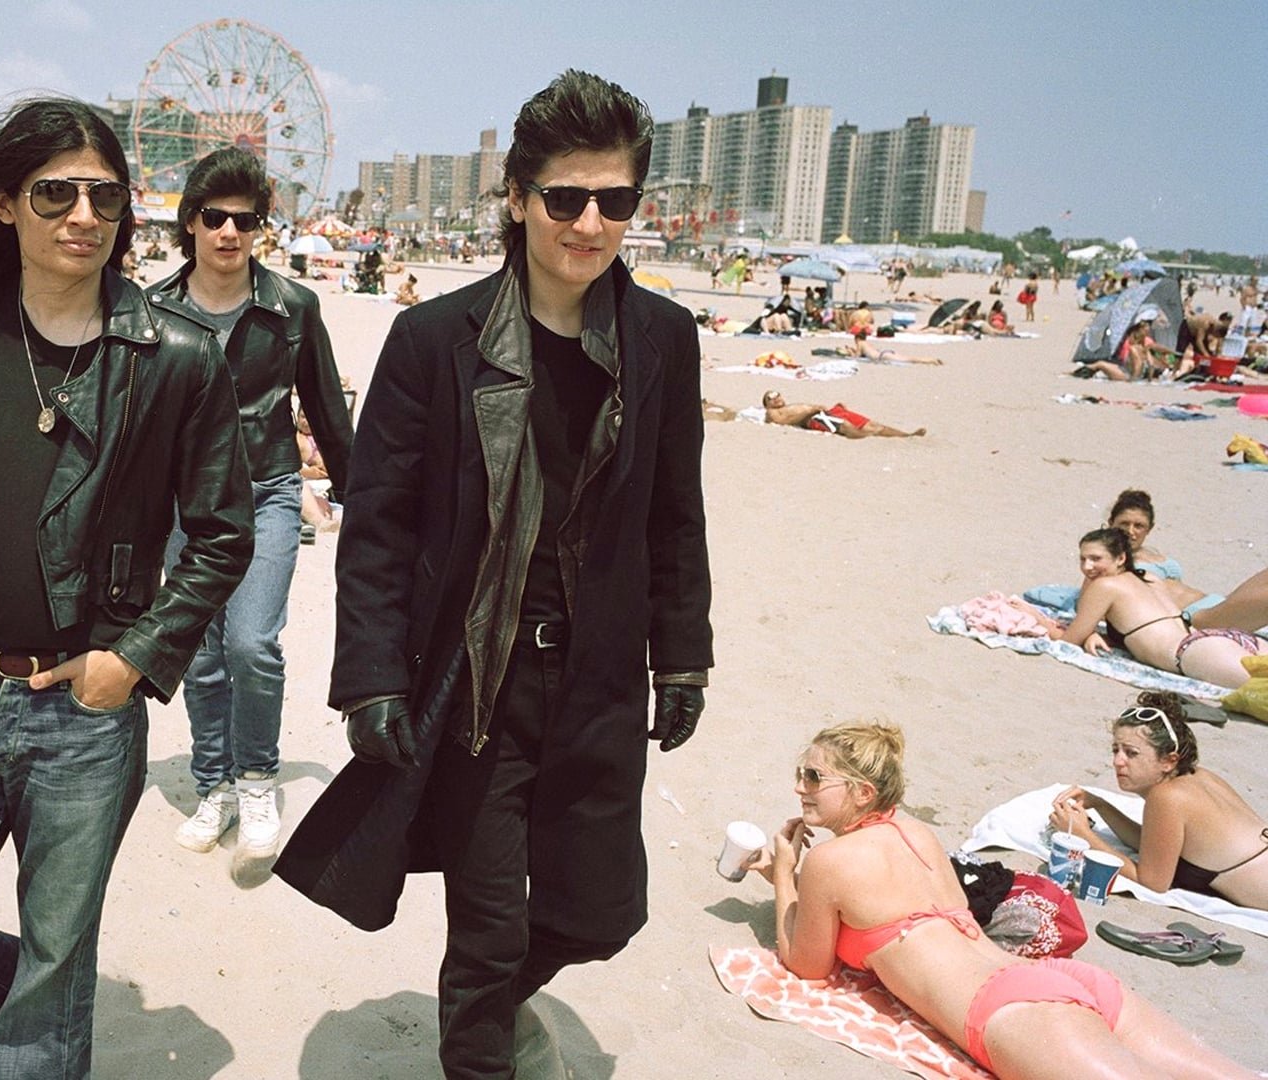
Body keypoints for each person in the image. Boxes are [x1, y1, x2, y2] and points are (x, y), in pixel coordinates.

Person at [275, 70, 713, 1079]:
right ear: (517, 198)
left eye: (615, 200)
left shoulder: (663, 340)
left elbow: (675, 515)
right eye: (565, 198)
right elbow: (378, 529)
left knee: (602, 913)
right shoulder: (435, 340)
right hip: (480, 681)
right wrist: (372, 682)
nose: (590, 224)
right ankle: (479, 1047)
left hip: (600, 679)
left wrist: (683, 657)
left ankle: (500, 1002)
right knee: (486, 927)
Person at [0, 97, 253, 1079]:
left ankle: (37, 1042)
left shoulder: (178, 358)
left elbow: (221, 535)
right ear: (5, 203)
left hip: (87, 710)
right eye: (54, 194)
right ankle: (31, 1024)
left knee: (56, 952)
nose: (83, 215)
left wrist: (135, 658)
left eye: (104, 196)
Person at [749, 722, 1256, 1080]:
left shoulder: (830, 861)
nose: (799, 787)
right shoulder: (918, 834)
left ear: (862, 792)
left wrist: (785, 877)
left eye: (813, 777)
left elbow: (808, 967)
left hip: (1012, 1011)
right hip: (1058, 979)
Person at [145, 147, 354, 859]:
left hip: (268, 491)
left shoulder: (294, 307)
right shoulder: (154, 311)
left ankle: (258, 779)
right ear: (191, 224)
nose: (229, 232)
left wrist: (361, 505)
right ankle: (216, 785)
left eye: (245, 220)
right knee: (200, 654)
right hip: (185, 505)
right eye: (214, 218)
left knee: (250, 643)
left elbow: (328, 412)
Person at [1050, 693, 1268, 908]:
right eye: (1116, 750)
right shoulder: (1199, 776)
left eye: (1131, 753)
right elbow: (1157, 846)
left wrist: (1083, 835)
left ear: (1168, 761)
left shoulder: (1167, 797)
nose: (1117, 761)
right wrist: (1100, 805)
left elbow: (1152, 883)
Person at [1060, 528, 1258, 688]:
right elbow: (1141, 628)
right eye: (1082, 559)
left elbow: (1069, 640)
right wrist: (1095, 635)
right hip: (1220, 638)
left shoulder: (1105, 586)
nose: (1087, 567)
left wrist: (1081, 633)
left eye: (1095, 559)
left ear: (1120, 559)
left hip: (1194, 652)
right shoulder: (1149, 577)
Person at [761, 390, 925, 437]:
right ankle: (866, 436)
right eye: (770, 398)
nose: (775, 398)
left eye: (777, 395)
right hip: (814, 419)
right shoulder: (772, 413)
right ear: (766, 404)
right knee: (846, 426)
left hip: (827, 412)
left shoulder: (789, 405)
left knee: (871, 423)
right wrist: (810, 411)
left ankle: (906, 435)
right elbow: (781, 423)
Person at [840, 324, 943, 364]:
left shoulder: (860, 343)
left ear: (857, 338)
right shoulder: (866, 343)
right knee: (909, 358)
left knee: (910, 360)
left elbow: (857, 356)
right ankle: (930, 360)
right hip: (885, 352)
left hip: (882, 356)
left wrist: (849, 352)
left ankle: (931, 360)